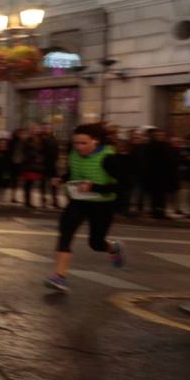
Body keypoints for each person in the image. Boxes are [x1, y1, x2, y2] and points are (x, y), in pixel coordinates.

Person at [44, 123, 125, 292]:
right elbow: (74, 173)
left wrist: (95, 187)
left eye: (83, 143)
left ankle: (113, 247)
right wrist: (62, 179)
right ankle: (60, 277)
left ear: (95, 142)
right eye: (76, 143)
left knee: (95, 244)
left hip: (103, 205)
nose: (78, 147)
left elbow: (124, 186)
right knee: (65, 233)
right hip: (78, 202)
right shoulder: (74, 154)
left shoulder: (108, 158)